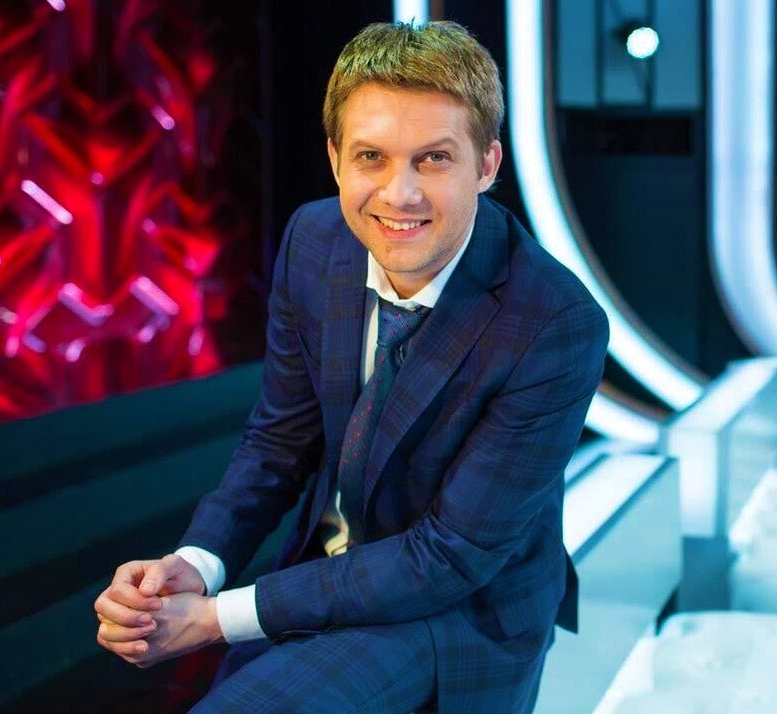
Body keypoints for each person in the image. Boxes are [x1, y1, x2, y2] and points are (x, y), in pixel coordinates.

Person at [94, 20, 609, 713]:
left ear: (487, 166)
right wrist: (195, 566)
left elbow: (450, 556)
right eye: (372, 156)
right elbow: (280, 442)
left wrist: (216, 618)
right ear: (336, 158)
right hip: (323, 571)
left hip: (457, 613)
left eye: (434, 159)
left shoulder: (554, 321)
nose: (400, 194)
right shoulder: (314, 240)